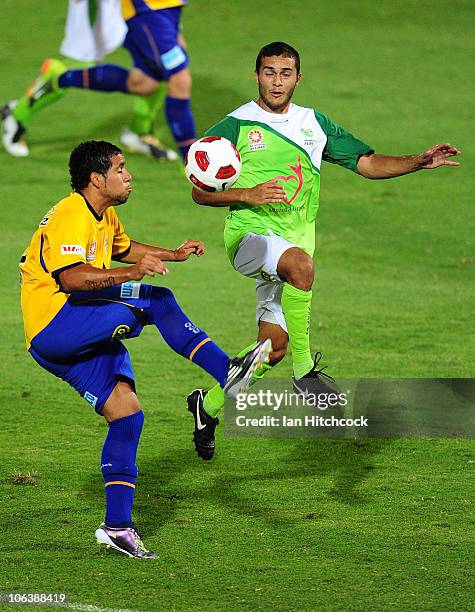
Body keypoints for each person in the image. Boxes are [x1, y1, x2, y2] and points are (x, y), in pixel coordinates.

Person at [186, 41, 461, 460]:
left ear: (298, 77)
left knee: (271, 348)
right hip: (249, 239)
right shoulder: (235, 126)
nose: (276, 81)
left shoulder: (315, 125)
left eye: (285, 73)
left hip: (290, 247)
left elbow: (367, 163)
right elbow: (199, 193)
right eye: (268, 72)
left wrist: (417, 161)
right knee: (301, 267)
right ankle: (304, 375)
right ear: (256, 74)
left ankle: (206, 408)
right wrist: (250, 193)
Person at [19, 140, 271, 558]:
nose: (128, 174)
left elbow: (125, 248)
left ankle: (117, 527)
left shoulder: (104, 214)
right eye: (120, 168)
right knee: (156, 300)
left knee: (127, 415)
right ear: (96, 178)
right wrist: (134, 273)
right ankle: (226, 372)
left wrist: (171, 253)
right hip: (57, 323)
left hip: (72, 333)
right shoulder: (69, 214)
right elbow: (73, 279)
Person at [2, 0, 192, 160]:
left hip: (163, 7)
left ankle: (138, 131)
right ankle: (18, 114)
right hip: (133, 7)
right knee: (79, 61)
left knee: (149, 77)